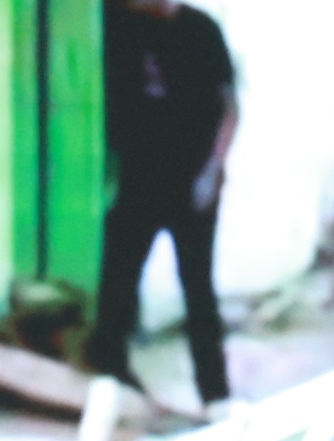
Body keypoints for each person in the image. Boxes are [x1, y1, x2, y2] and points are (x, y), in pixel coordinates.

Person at [88, 0, 239, 409]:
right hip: (141, 176)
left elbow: (229, 108)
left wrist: (211, 172)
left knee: (198, 288)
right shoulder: (120, 25)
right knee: (119, 275)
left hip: (192, 181)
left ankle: (215, 392)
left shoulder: (201, 31)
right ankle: (110, 370)